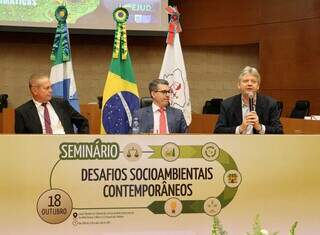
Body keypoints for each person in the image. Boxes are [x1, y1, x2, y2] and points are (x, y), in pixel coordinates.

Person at [214, 66, 283, 134]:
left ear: (258, 86)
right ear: (239, 85)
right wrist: (240, 128)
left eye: (253, 81)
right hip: (236, 144)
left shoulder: (270, 104)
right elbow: (218, 131)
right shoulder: (227, 104)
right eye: (245, 81)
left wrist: (259, 127)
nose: (249, 84)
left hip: (261, 144)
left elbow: (279, 131)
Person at [15, 74, 89, 134]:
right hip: (40, 149)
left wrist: (79, 141)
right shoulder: (22, 112)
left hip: (64, 147)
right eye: (47, 88)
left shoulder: (62, 104)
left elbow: (83, 122)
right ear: (35, 91)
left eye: (51, 87)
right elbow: (21, 139)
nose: (51, 90)